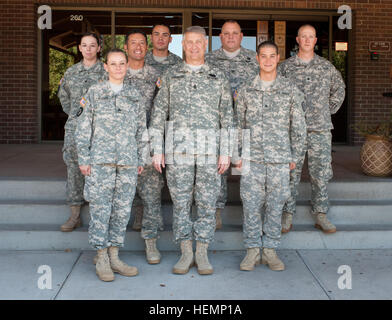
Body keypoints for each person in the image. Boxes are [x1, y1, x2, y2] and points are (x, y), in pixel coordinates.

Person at [150, 26, 234, 275]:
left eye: (199, 42)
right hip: (178, 151)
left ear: (205, 44)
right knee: (181, 204)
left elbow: (227, 117)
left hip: (210, 152)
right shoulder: (170, 75)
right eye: (190, 42)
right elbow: (158, 114)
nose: (194, 46)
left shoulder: (218, 76)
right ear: (183, 45)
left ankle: (203, 252)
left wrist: (226, 151)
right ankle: (186, 252)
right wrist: (157, 149)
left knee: (207, 203)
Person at [76, 49, 147, 282]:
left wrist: (140, 157)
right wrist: (84, 159)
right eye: (113, 64)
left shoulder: (134, 94)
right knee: (100, 210)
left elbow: (141, 130)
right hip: (100, 162)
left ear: (127, 66)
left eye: (121, 63)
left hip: (127, 162)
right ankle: (101, 256)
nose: (118, 68)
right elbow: (84, 128)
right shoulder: (94, 93)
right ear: (105, 67)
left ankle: (115, 255)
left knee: (121, 210)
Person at [235, 41, 306, 271]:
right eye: (263, 56)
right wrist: (237, 156)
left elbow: (298, 127)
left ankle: (271, 251)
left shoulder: (290, 90)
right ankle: (252, 251)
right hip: (251, 159)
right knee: (251, 206)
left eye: (271, 56)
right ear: (257, 58)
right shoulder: (246, 89)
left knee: (276, 205)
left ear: (278, 58)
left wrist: (295, 154)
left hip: (279, 159)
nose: (267, 60)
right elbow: (237, 126)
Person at [278, 24, 346, 234]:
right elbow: (276, 93)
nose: (307, 40)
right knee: (290, 174)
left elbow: (339, 89)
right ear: (297, 40)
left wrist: (326, 110)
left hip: (320, 130)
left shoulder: (326, 67)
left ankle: (321, 214)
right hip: (292, 131)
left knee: (321, 173)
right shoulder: (285, 68)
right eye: (303, 37)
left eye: (311, 37)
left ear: (315, 41)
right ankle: (287, 214)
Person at [205, 20, 259, 229]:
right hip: (217, 126)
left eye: (234, 33)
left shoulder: (253, 61)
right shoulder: (208, 60)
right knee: (218, 171)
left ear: (241, 36)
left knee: (245, 171)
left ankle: (249, 216)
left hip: (245, 126)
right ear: (220, 37)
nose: (230, 37)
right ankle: (217, 212)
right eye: (226, 33)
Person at [123, 29, 164, 264]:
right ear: (126, 47)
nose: (138, 47)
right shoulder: (115, 72)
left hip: (148, 143)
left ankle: (151, 243)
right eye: (133, 43)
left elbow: (162, 110)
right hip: (121, 145)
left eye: (142, 43)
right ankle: (110, 250)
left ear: (146, 49)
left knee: (151, 193)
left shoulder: (155, 75)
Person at [58, 33, 106, 232]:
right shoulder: (71, 72)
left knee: (98, 170)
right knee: (74, 167)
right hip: (75, 129)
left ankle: (98, 217)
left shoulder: (106, 71)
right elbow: (63, 96)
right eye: (84, 45)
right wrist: (77, 116)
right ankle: (75, 215)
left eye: (92, 45)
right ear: (79, 48)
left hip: (100, 129)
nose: (88, 49)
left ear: (98, 48)